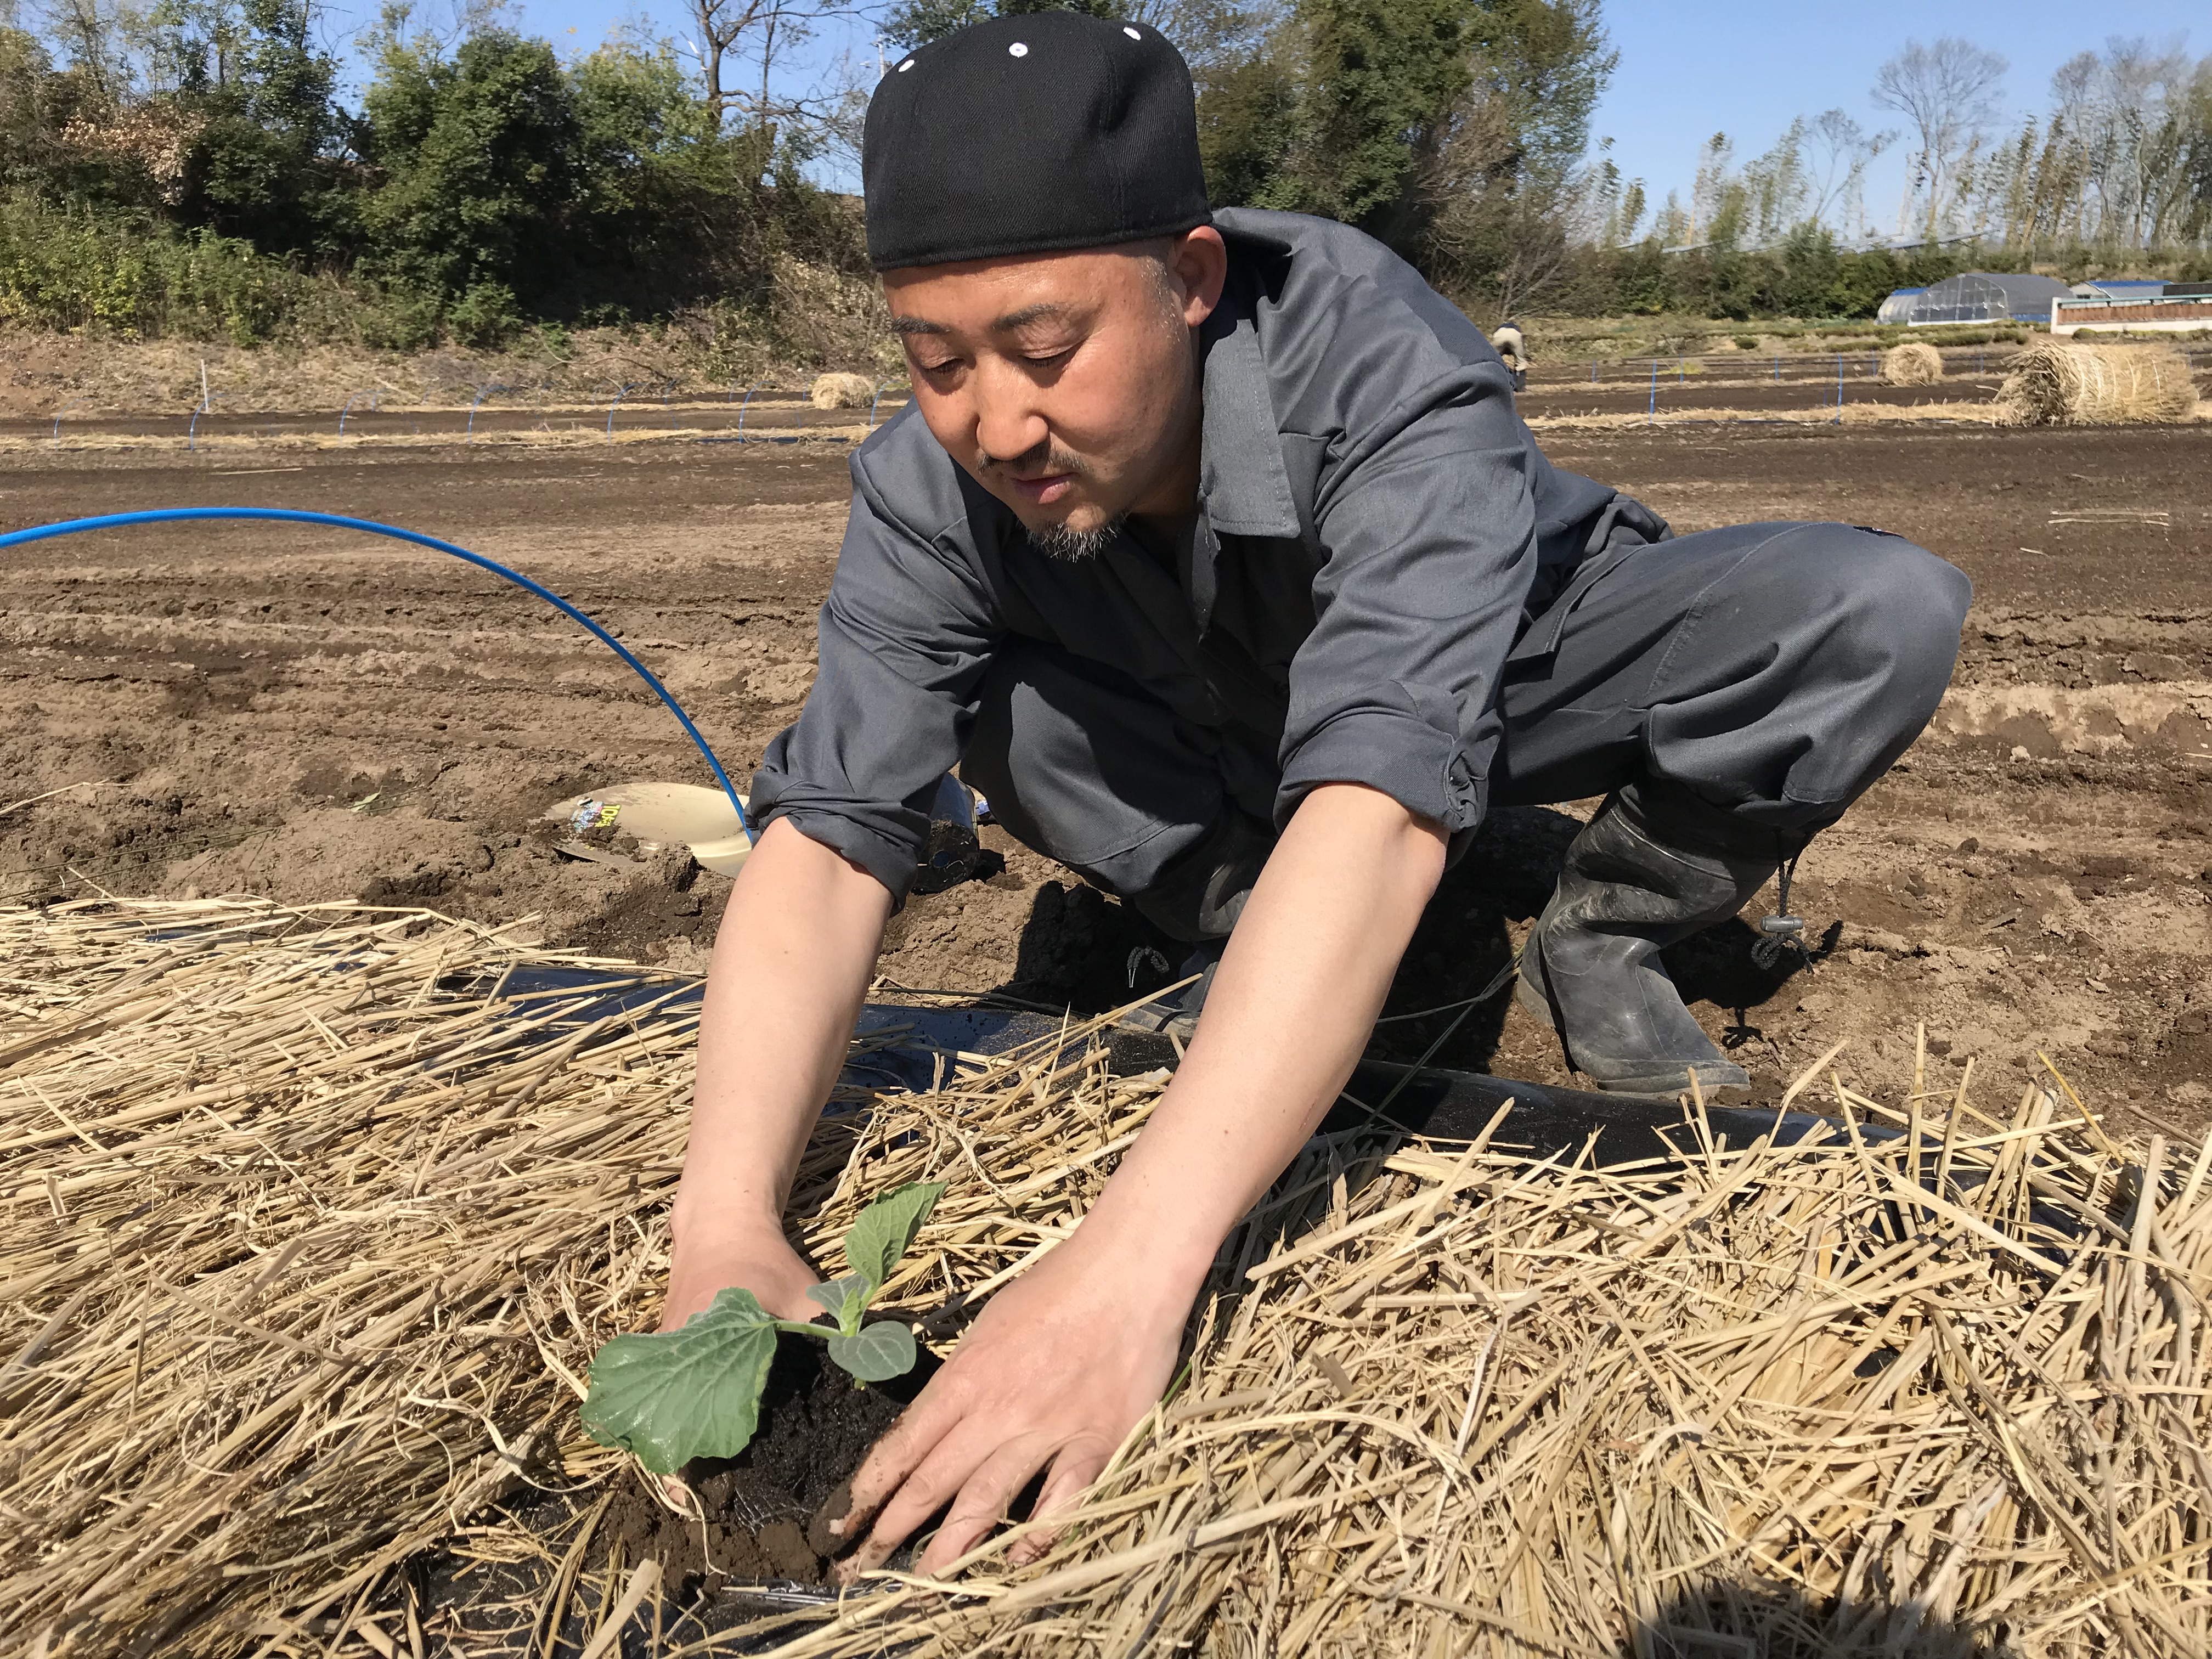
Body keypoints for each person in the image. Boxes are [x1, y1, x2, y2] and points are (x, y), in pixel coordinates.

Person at [662, 13, 1970, 1579]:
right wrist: (725, 1221)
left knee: (1866, 609)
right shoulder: (930, 483)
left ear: (1194, 281)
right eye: (937, 365)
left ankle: (1607, 931)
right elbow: (827, 845)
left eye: (1045, 350)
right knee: (998, 711)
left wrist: (1124, 1276)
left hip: (1498, 669)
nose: (997, 424)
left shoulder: (1388, 374)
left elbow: (1374, 803)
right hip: (1222, 745)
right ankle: (1283, 932)